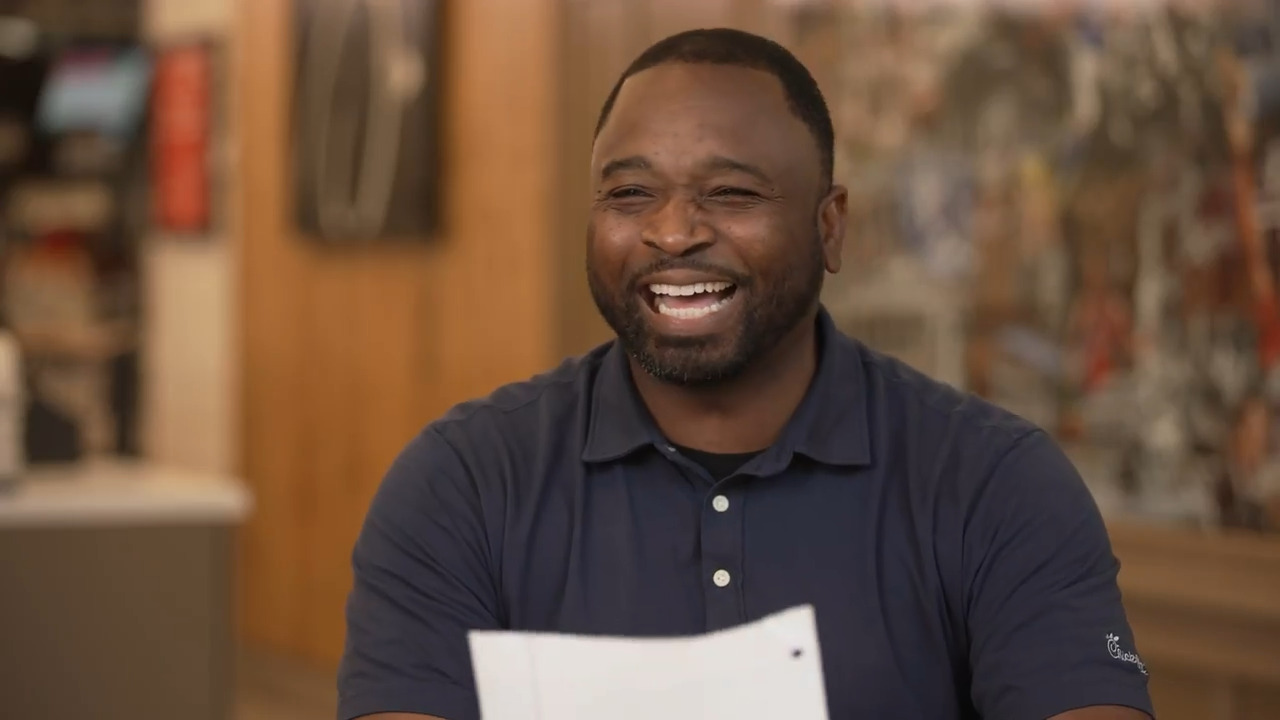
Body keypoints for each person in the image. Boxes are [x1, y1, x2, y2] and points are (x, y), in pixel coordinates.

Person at [338, 28, 1154, 720]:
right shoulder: (462, 485)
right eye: (629, 193)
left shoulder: (995, 485)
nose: (672, 232)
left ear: (829, 227)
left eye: (729, 191)